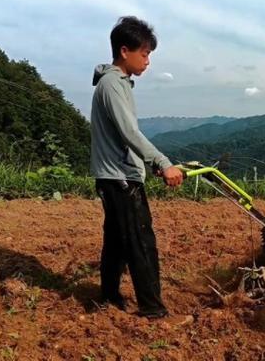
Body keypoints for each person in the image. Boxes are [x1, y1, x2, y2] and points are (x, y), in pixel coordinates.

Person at [90, 16, 184, 319]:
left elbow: (124, 135)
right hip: (120, 179)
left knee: (117, 240)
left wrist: (148, 162)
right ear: (124, 50)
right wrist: (162, 161)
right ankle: (153, 310)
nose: (147, 62)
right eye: (144, 54)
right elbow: (130, 132)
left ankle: (108, 296)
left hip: (114, 174)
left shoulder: (116, 83)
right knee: (142, 241)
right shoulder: (113, 84)